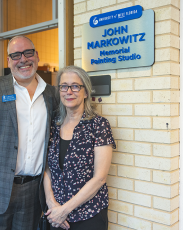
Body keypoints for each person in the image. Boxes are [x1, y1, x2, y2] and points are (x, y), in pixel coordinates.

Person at [0, 36, 58, 230]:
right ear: (8, 61)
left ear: (37, 56)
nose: (23, 59)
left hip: (33, 193)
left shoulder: (52, 94)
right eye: (15, 55)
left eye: (28, 53)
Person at [43, 66, 116, 230]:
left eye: (75, 86)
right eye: (64, 86)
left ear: (86, 92)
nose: (69, 91)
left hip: (89, 215)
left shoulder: (99, 125)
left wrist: (65, 210)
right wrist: (51, 203)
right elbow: (47, 168)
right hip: (55, 215)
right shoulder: (54, 125)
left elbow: (100, 178)